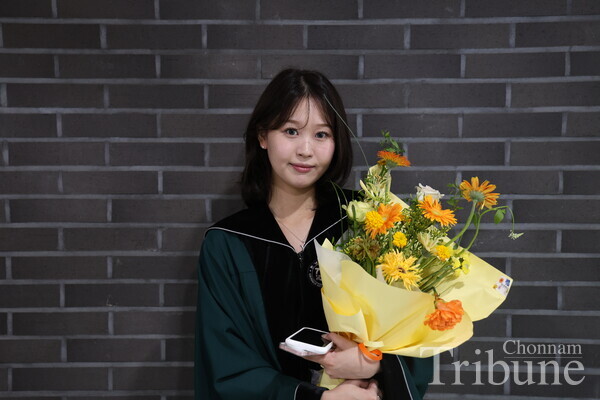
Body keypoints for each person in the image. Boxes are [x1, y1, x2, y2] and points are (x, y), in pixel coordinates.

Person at [195, 69, 432, 399]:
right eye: (291, 131)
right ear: (263, 136)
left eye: (322, 135)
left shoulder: (370, 219)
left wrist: (377, 363)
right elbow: (225, 362)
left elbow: (418, 333)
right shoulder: (229, 242)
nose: (306, 150)